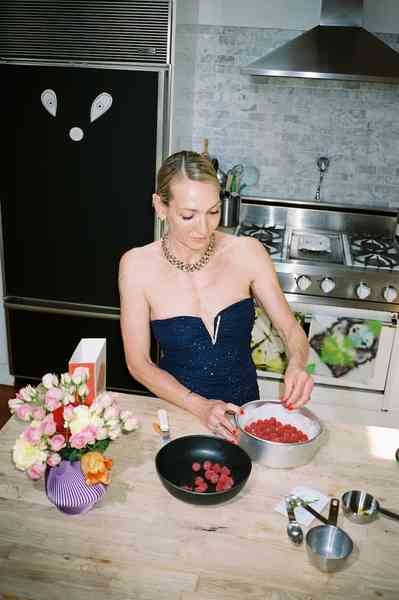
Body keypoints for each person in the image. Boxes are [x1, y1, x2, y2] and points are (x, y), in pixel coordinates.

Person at [119, 150, 313, 443]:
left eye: (213, 212)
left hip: (243, 415)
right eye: (188, 215)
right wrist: (200, 406)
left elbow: (291, 330)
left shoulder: (248, 252)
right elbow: (138, 363)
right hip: (179, 412)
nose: (204, 228)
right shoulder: (136, 266)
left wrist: (297, 364)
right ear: (160, 206)